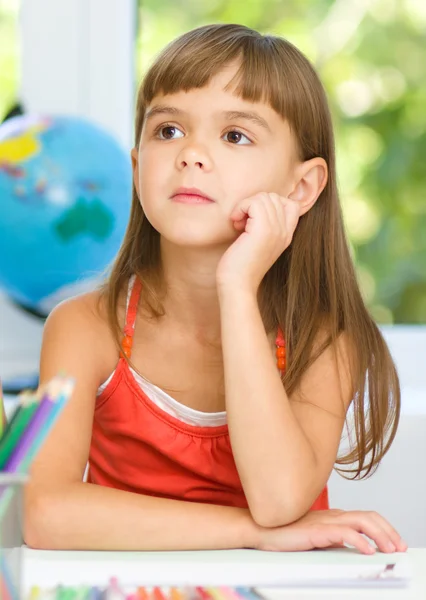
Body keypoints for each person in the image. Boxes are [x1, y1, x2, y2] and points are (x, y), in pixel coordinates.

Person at [24, 23, 407, 555]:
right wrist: (250, 534)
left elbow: (278, 500)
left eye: (234, 136)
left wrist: (237, 286)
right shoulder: (82, 327)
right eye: (168, 131)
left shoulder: (324, 339)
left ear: (301, 188)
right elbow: (44, 515)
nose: (191, 154)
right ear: (137, 169)